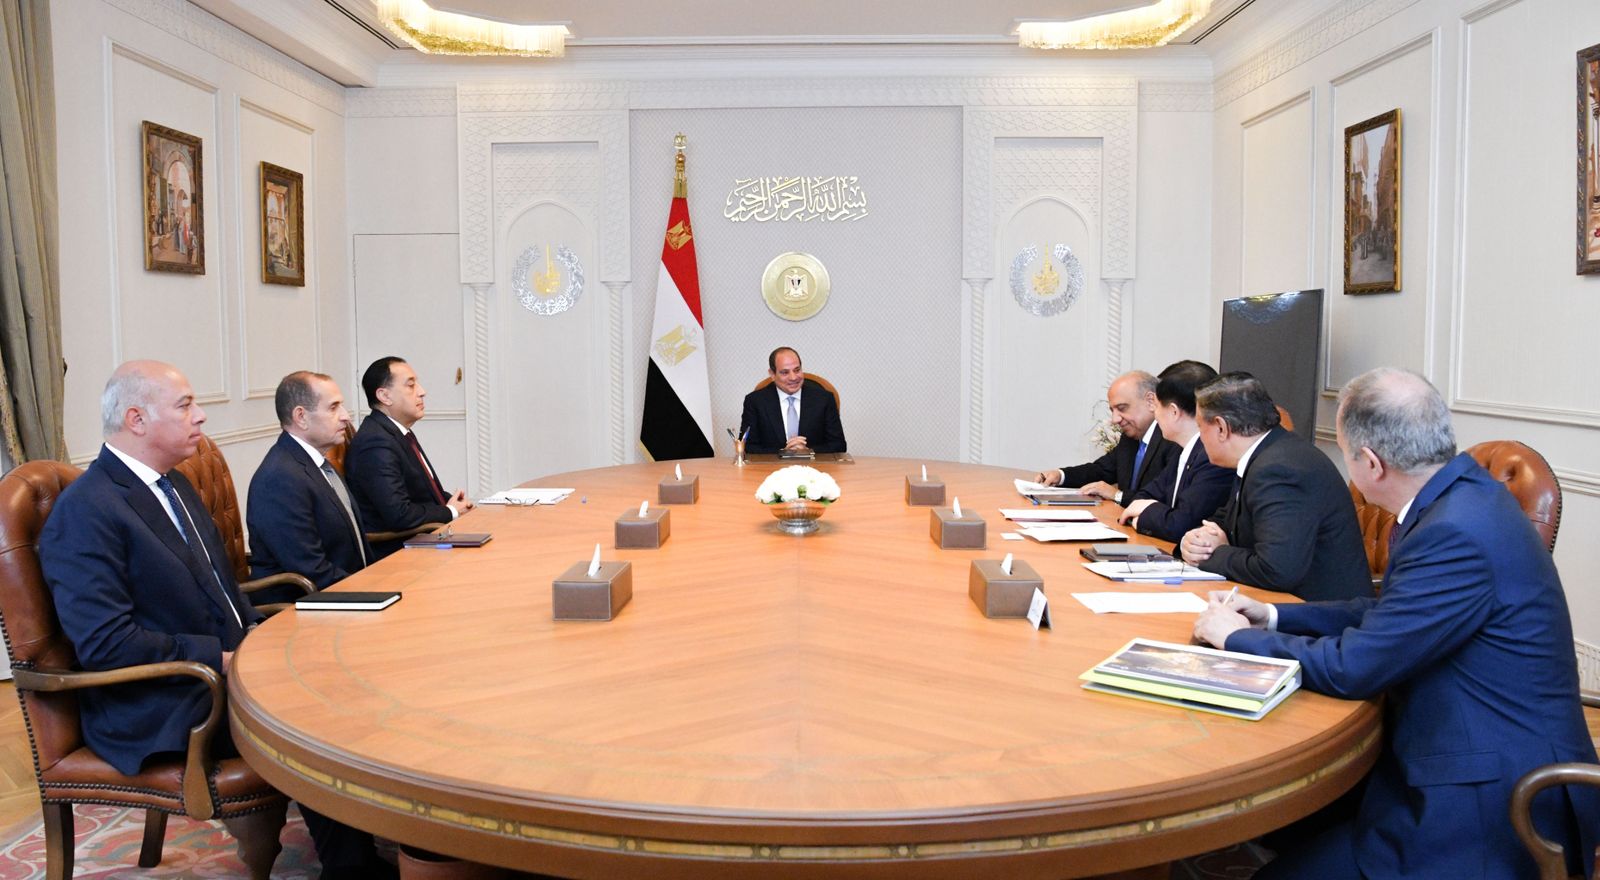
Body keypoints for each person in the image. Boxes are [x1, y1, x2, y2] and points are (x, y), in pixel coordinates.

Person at [1193, 368, 1599, 880]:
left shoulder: (1455, 530)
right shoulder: (1459, 498)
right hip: (1459, 750)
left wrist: (1238, 638)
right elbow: (1392, 611)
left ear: (1370, 463)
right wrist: (1273, 615)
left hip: (1495, 803)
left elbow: (1356, 667)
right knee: (1292, 830)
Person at [39, 360, 259, 777]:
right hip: (164, 703)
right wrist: (220, 659)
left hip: (217, 674)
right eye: (184, 405)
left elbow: (219, 585)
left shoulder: (174, 483)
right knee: (313, 726)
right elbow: (107, 644)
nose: (200, 415)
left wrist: (255, 634)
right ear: (136, 419)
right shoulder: (86, 510)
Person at [1178, 372, 1369, 601]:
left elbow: (1277, 569)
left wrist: (1215, 553)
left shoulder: (1280, 469)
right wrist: (1195, 541)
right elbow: (1227, 521)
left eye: (1200, 428)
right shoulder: (1266, 454)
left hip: (1316, 612)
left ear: (1221, 427)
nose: (1200, 438)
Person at [246, 371, 371, 602]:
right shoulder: (279, 478)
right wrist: (374, 590)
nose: (346, 416)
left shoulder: (316, 463)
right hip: (303, 607)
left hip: (346, 592)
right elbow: (311, 570)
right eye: (333, 408)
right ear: (301, 417)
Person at [345, 357, 472, 558]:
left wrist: (455, 503)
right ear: (385, 396)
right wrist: (450, 511)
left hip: (427, 539)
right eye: (411, 385)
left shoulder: (396, 432)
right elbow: (399, 514)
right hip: (399, 553)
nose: (422, 391)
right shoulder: (375, 443)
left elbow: (421, 493)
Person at [1117, 361, 1232, 542]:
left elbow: (1181, 525)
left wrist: (1146, 515)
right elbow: (1143, 497)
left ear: (1174, 412)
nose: (1154, 414)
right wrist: (1156, 512)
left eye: (1157, 406)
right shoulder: (1182, 450)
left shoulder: (1211, 458)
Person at [1035, 370, 1177, 502]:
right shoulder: (1130, 438)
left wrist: (1117, 495)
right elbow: (1101, 470)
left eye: (1122, 408)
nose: (1115, 419)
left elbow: (1164, 499)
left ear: (1151, 401)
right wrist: (1060, 476)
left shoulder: (1172, 440)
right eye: (1112, 410)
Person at [739, 346, 846, 454]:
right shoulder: (755, 402)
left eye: (797, 370)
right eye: (785, 372)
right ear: (772, 374)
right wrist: (784, 452)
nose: (793, 377)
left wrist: (808, 452)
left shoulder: (824, 399)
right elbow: (747, 446)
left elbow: (839, 445)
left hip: (814, 464)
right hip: (772, 464)